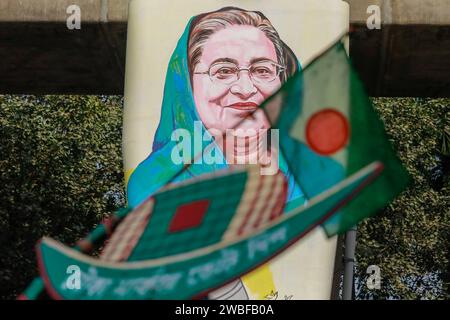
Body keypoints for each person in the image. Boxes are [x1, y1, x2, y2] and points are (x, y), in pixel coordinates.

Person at [127, 7, 306, 299]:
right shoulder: (154, 184)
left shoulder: (308, 180)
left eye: (262, 70)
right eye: (223, 70)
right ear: (187, 85)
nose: (245, 88)